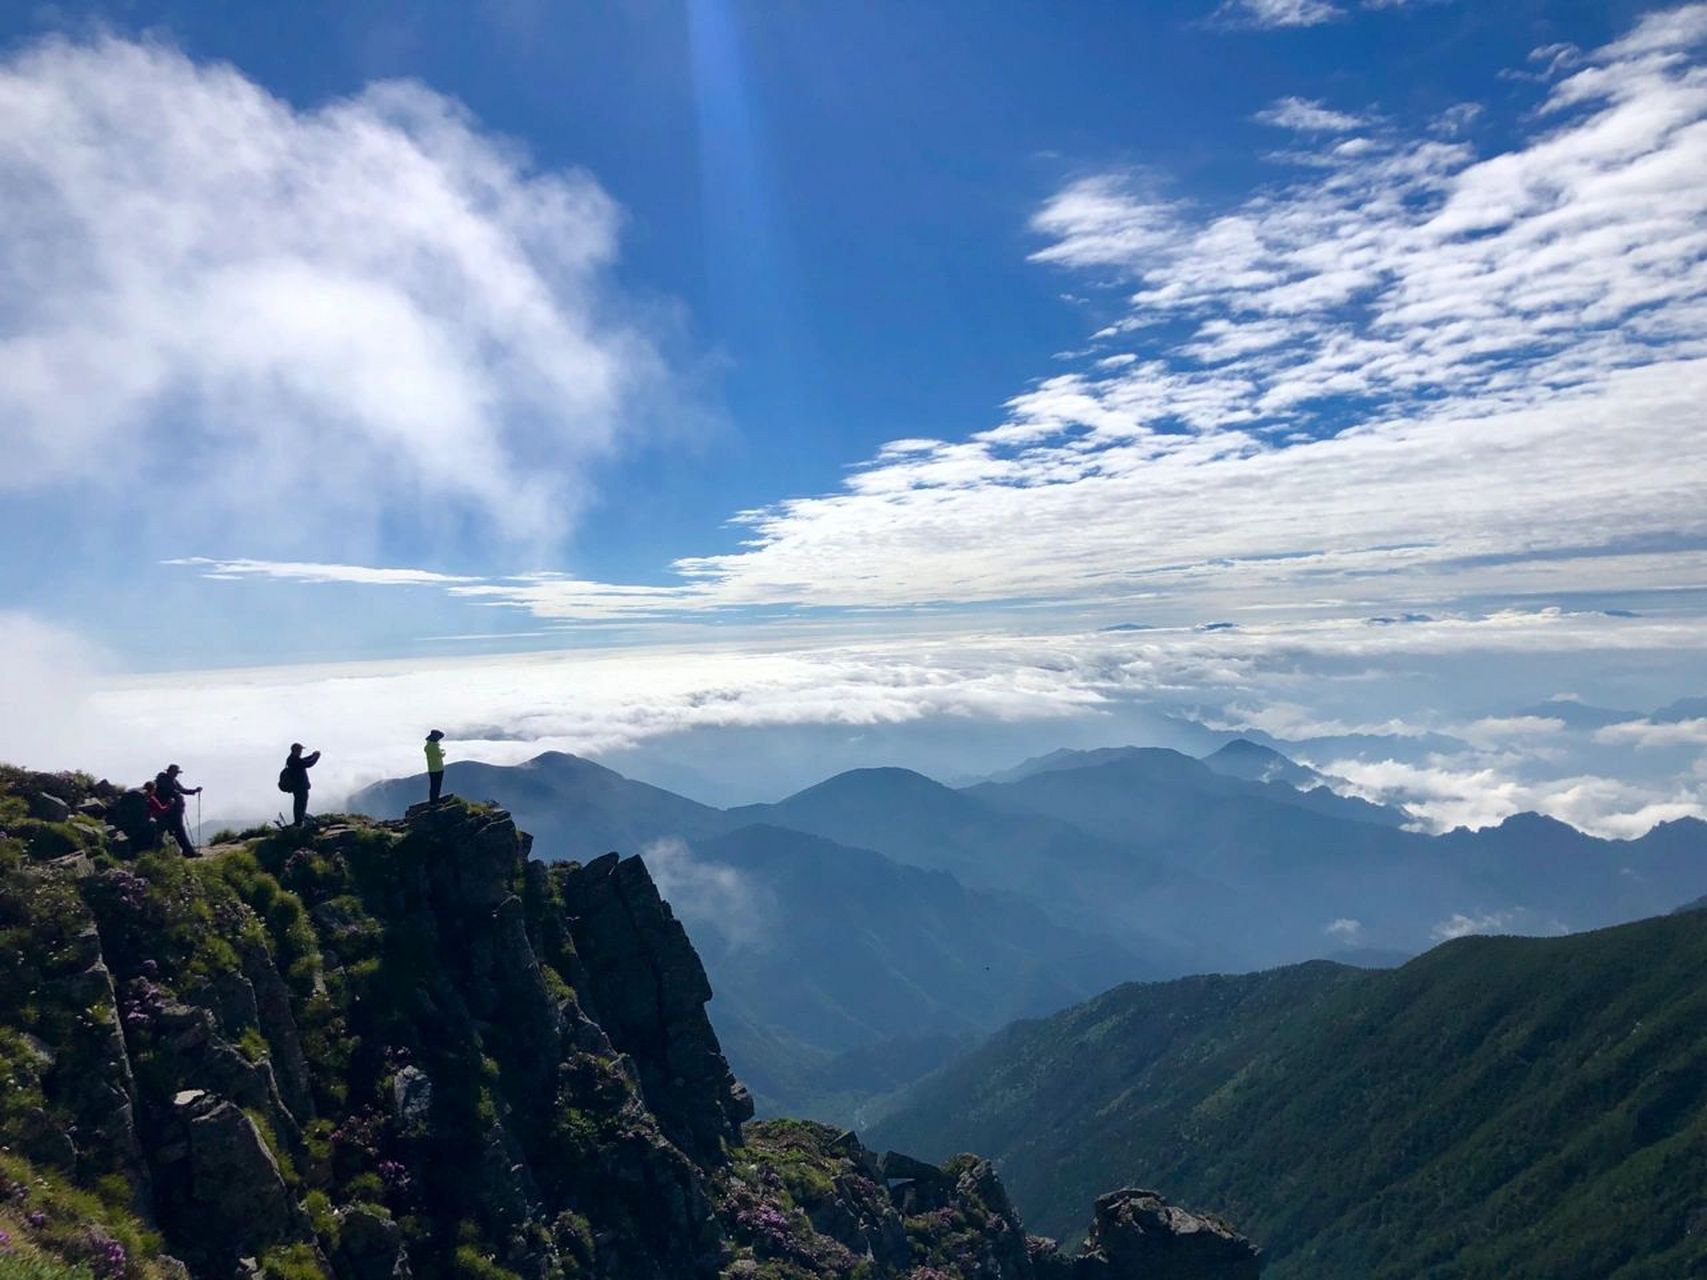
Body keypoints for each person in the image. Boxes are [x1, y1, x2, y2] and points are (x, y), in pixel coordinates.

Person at [152, 764, 202, 855]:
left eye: (177, 773)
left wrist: (194, 791)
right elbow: (171, 791)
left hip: (171, 810)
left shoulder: (172, 780)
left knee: (170, 831)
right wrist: (177, 794)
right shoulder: (163, 780)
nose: (176, 774)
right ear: (169, 771)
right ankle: (188, 852)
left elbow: (182, 790)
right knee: (178, 830)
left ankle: (185, 851)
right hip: (169, 811)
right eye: (175, 772)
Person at [281, 743, 321, 826]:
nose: (301, 752)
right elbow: (308, 764)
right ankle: (299, 823)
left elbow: (304, 761)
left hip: (297, 787)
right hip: (300, 787)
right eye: (300, 750)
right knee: (300, 805)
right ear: (296, 750)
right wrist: (316, 757)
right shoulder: (295, 760)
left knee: (298, 804)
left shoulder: (292, 759)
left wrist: (312, 755)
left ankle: (298, 822)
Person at [141, 779, 169, 851]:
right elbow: (161, 809)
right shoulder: (152, 798)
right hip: (151, 820)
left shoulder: (141, 797)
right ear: (153, 789)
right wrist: (169, 804)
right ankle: (159, 851)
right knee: (158, 836)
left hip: (140, 821)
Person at [424, 730, 446, 804]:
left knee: (433, 786)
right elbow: (440, 755)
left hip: (431, 769)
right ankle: (435, 801)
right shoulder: (435, 746)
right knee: (437, 786)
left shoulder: (428, 747)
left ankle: (432, 801)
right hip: (438, 768)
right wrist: (443, 751)